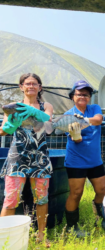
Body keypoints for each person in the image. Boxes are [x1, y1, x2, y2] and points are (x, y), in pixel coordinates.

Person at [0, 73, 53, 246]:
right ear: (21, 86)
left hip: (40, 157)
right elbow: (3, 131)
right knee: (11, 199)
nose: (31, 86)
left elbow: (48, 123)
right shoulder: (13, 107)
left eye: (34, 83)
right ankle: (3, 238)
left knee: (42, 198)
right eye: (27, 83)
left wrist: (32, 111)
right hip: (18, 156)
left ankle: (41, 236)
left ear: (39, 87)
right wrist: (10, 125)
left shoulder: (47, 106)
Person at [64, 80, 105, 237]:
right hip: (76, 160)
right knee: (76, 192)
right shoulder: (68, 115)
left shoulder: (94, 108)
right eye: (79, 93)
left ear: (90, 97)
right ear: (73, 96)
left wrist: (83, 121)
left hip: (95, 160)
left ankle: (101, 217)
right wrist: (76, 134)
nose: (83, 96)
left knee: (102, 189)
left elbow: (98, 119)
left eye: (86, 94)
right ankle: (72, 227)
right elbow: (77, 140)